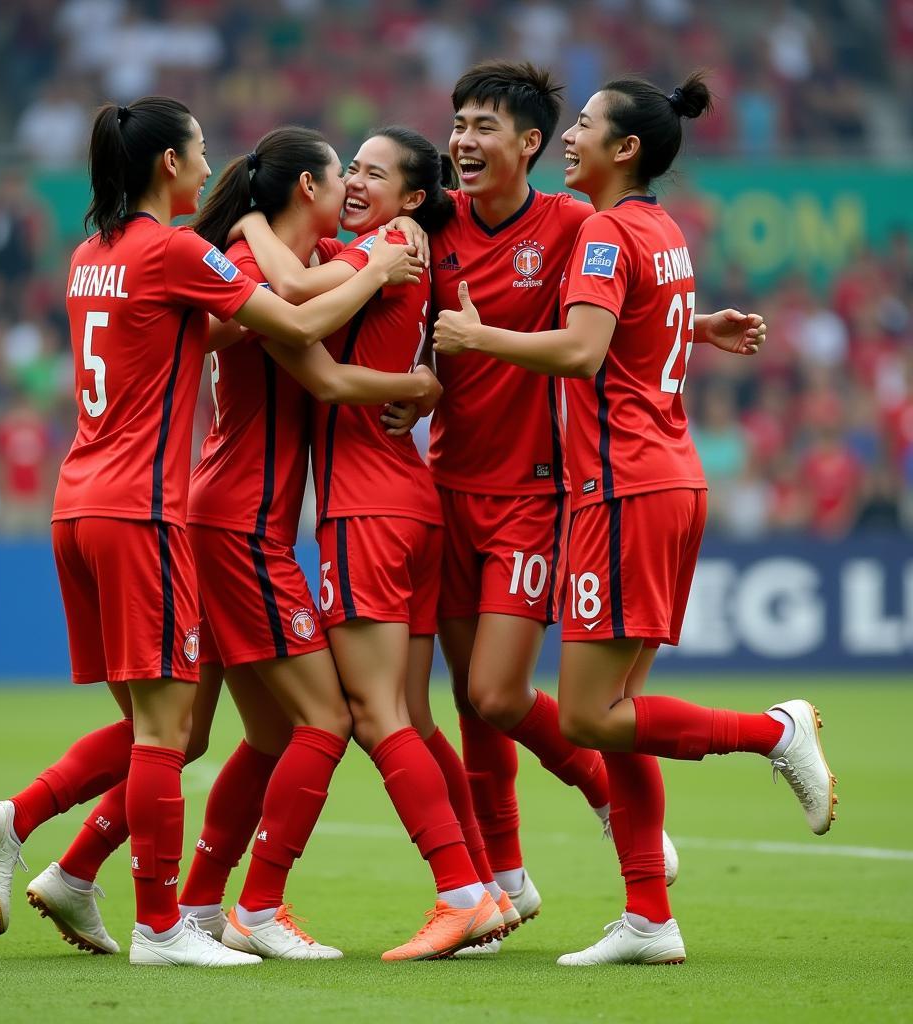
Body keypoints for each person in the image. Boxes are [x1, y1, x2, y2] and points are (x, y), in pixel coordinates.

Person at [0, 95, 423, 969]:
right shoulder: (175, 250)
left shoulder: (90, 256)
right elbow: (291, 326)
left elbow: (223, 326)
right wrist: (377, 275)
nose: (213, 167)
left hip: (81, 503)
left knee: (170, 725)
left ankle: (40, 834)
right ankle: (166, 925)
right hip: (146, 511)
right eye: (201, 151)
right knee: (173, 733)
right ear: (167, 164)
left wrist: (313, 269)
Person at [432, 72, 835, 967]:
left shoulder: (605, 230)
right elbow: (633, 321)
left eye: (583, 126)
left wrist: (475, 338)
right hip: (667, 480)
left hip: (621, 492)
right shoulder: (659, 227)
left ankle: (774, 731)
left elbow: (580, 349)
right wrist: (698, 330)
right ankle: (650, 916)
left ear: (625, 150)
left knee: (590, 718)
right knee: (616, 709)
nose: (570, 136)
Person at [235, 125, 518, 960]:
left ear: (413, 197)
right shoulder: (389, 244)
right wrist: (423, 385)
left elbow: (288, 292)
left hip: (366, 508)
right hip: (410, 501)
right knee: (413, 716)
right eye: (348, 169)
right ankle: (490, 889)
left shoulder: (387, 246)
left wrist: (248, 222)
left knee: (370, 714)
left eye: (372, 172)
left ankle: (459, 892)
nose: (353, 182)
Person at [427, 61, 653, 949]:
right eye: (457, 123)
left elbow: (611, 310)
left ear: (527, 144)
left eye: (484, 125)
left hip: (530, 491)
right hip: (443, 485)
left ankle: (604, 792)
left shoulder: (570, 223)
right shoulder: (434, 222)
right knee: (468, 702)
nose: (463, 141)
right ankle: (505, 879)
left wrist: (696, 323)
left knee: (500, 689)